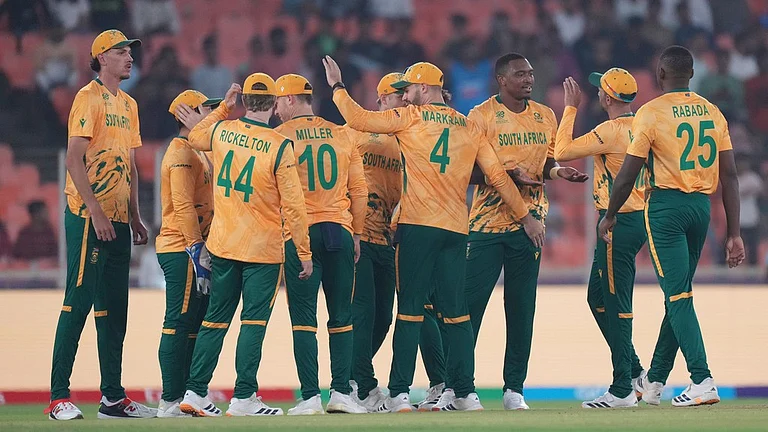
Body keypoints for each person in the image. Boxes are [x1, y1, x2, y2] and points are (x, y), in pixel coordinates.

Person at [323, 56, 545, 412]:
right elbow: (497, 177)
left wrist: (337, 86)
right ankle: (465, 393)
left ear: (423, 89)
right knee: (456, 313)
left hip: (417, 227)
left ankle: (399, 394)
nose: (405, 95)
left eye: (409, 89)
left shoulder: (411, 117)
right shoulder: (468, 125)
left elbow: (359, 119)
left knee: (410, 311)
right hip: (456, 230)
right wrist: (526, 217)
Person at [598, 45, 745, 407]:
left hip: (665, 207)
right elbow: (730, 175)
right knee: (678, 294)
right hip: (701, 208)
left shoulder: (650, 113)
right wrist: (734, 233)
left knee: (678, 295)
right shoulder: (712, 111)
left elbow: (628, 173)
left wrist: (610, 213)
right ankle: (655, 381)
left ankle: (702, 379)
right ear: (691, 74)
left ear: (660, 74)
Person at [175, 74, 312, 417]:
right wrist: (304, 252)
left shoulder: (222, 131)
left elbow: (195, 135)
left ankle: (194, 391)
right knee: (253, 322)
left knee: (215, 320)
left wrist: (223, 107)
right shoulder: (280, 145)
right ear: (274, 104)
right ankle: (244, 397)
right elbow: (294, 206)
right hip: (263, 249)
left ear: (245, 101)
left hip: (223, 244)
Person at [464, 53, 588, 411]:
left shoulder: (545, 115)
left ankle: (514, 389)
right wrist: (506, 175)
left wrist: (559, 172)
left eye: (531, 74)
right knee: (470, 309)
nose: (529, 79)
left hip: (530, 226)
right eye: (521, 74)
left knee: (521, 310)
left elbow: (545, 163)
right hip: (486, 224)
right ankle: (461, 386)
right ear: (502, 79)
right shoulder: (480, 116)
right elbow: (466, 170)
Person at [47, 29, 154, 421]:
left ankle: (113, 398)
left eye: (130, 51)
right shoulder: (87, 98)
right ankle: (58, 397)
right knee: (77, 303)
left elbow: (130, 165)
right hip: (88, 217)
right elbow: (73, 158)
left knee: (114, 311)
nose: (129, 57)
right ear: (102, 57)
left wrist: (136, 215)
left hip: (119, 220)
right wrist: (95, 210)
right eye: (121, 51)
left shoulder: (129, 104)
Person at [274, 74, 368, 415]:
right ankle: (341, 392)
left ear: (289, 99)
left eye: (278, 102)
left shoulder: (279, 136)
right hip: (339, 230)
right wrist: (356, 234)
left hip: (300, 234)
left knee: (304, 320)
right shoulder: (343, 134)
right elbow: (360, 191)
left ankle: (311, 397)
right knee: (342, 316)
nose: (275, 109)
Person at [555, 68, 647, 408]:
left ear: (607, 98)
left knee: (616, 302)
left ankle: (622, 388)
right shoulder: (644, 125)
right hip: (640, 217)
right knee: (598, 297)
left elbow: (562, 150)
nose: (596, 94)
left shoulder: (610, 130)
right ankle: (634, 371)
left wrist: (570, 107)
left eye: (599, 90)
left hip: (617, 220)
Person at [154, 89, 221, 417]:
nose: (211, 113)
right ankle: (169, 398)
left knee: (193, 322)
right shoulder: (181, 152)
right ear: (187, 114)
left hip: (196, 248)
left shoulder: (198, 151)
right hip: (181, 248)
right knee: (178, 321)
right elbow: (182, 205)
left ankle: (185, 396)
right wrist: (196, 248)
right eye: (206, 108)